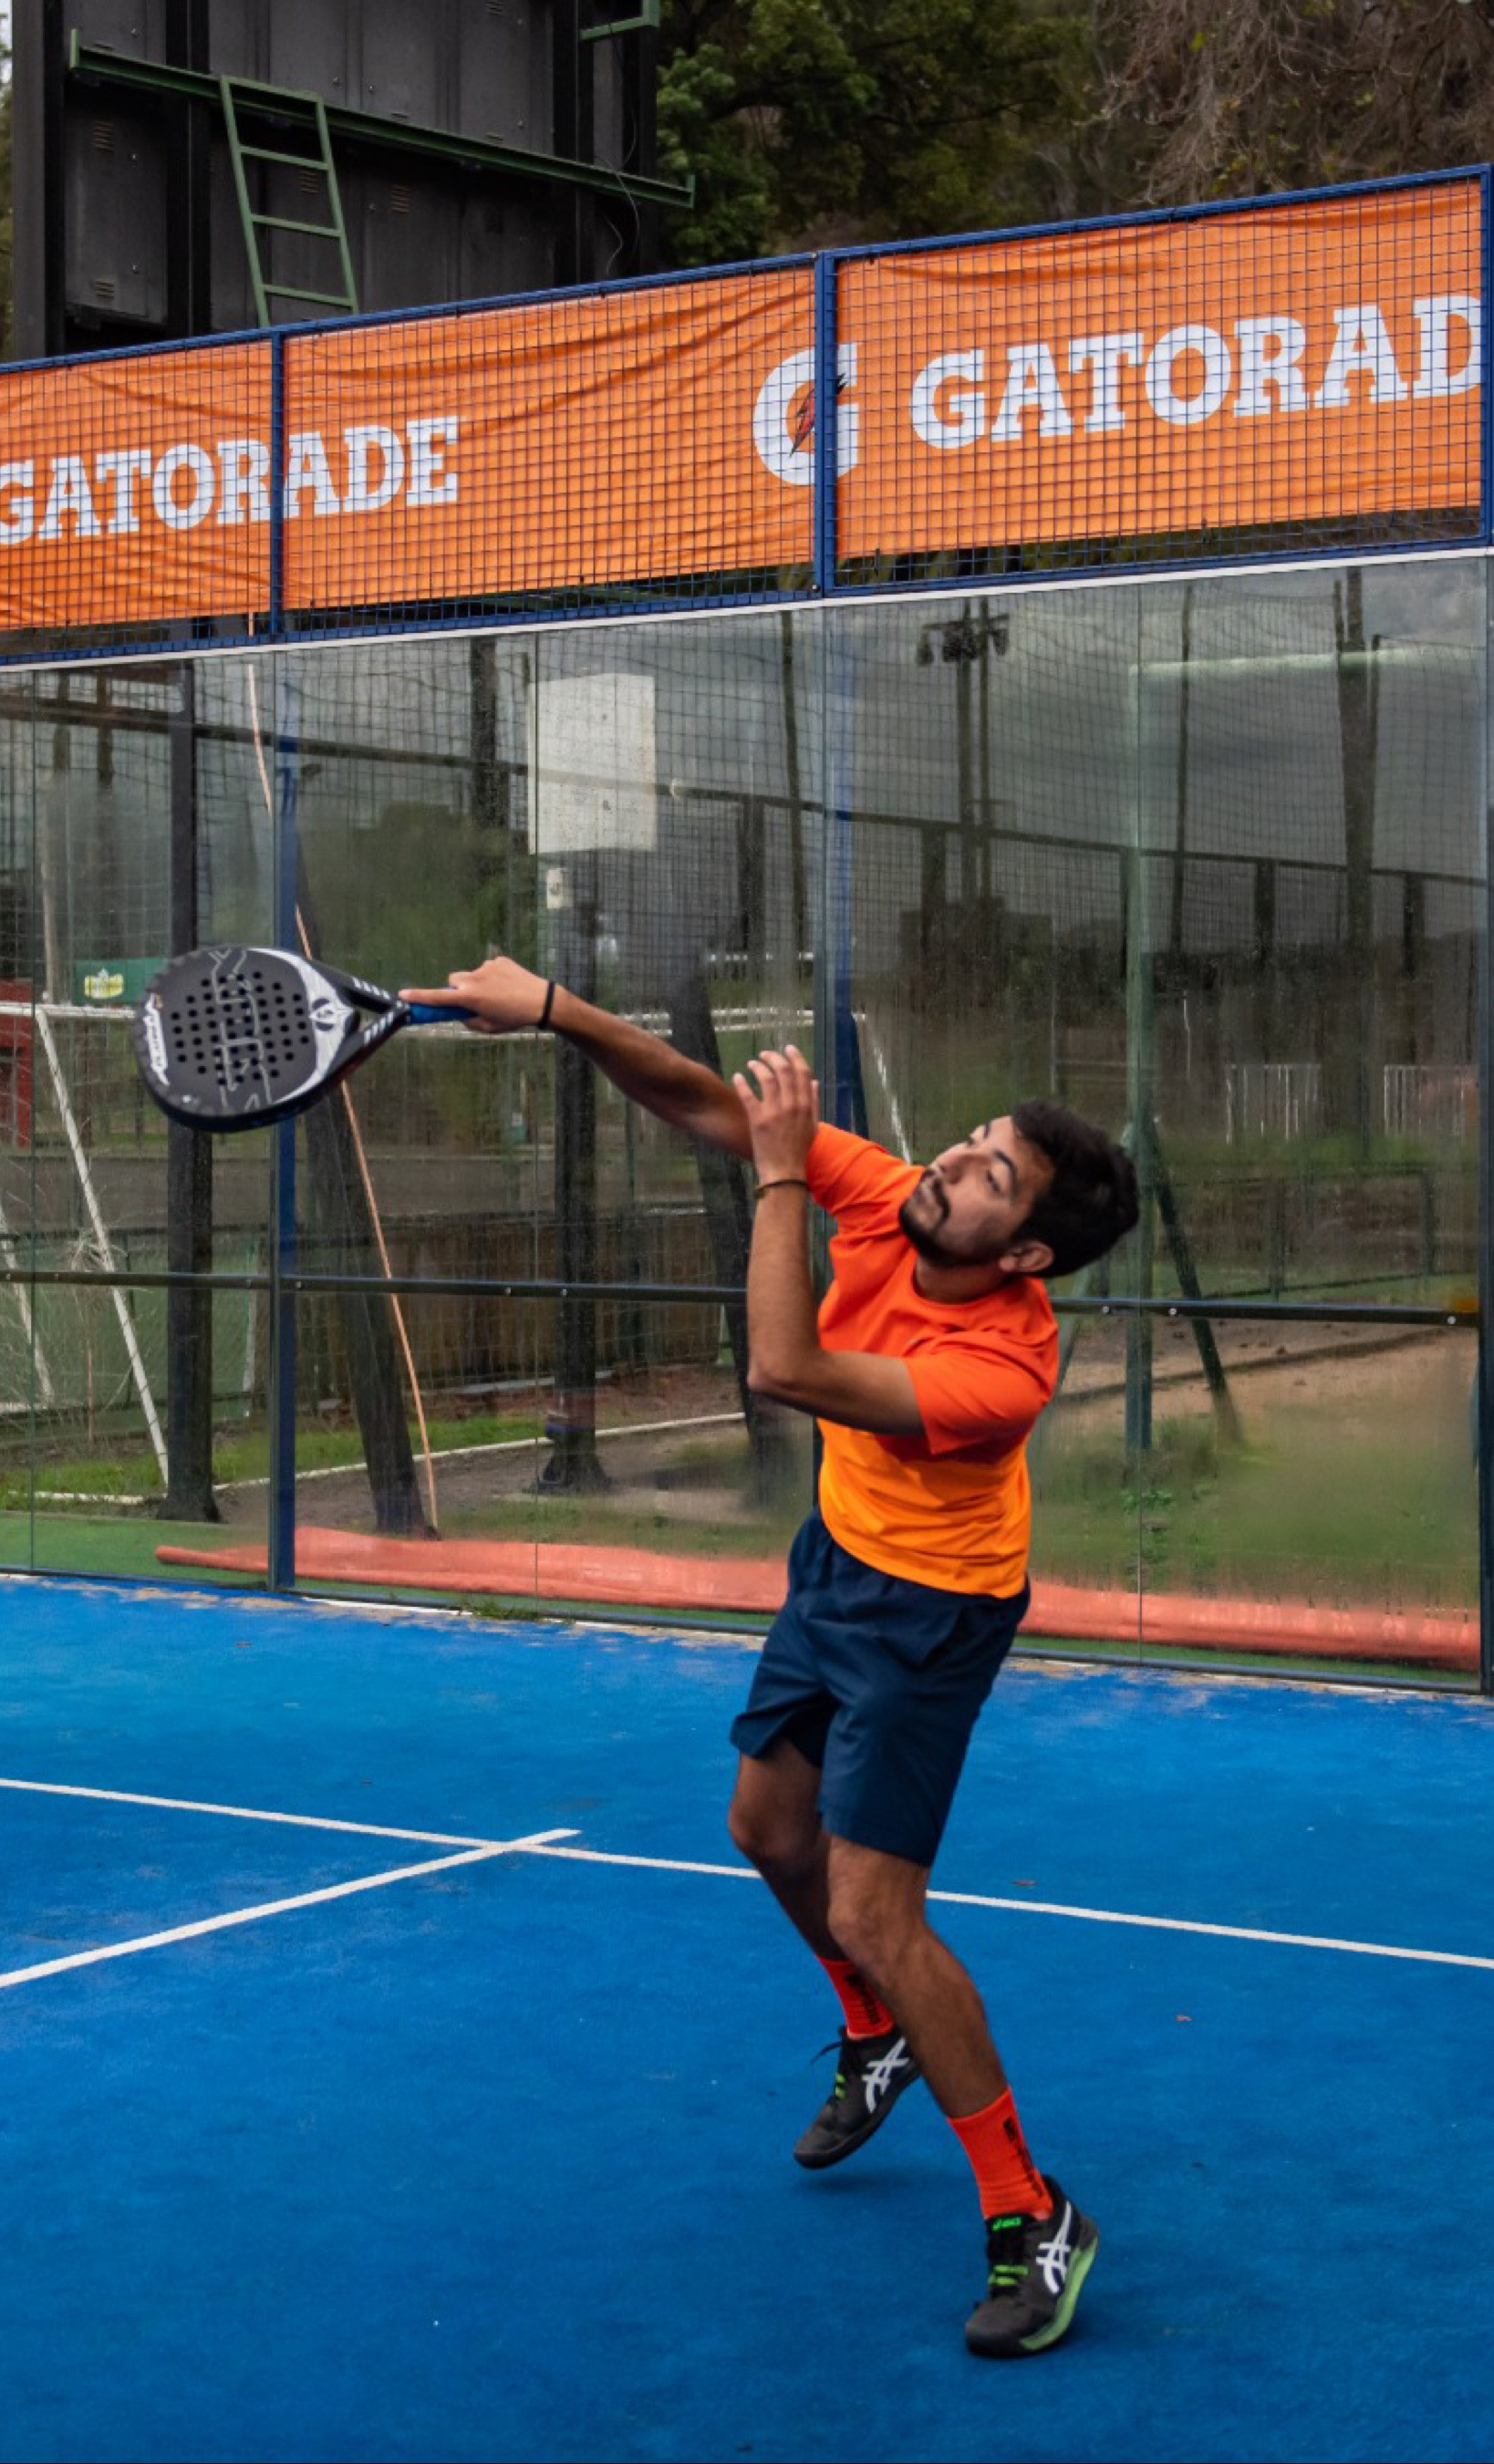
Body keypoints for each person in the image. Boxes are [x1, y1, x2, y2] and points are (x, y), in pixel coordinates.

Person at [403, 956, 1139, 2360]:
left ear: (1027, 1253)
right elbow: (701, 1099)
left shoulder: (1004, 1368)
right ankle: (877, 2032)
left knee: (875, 1908)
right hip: (838, 1563)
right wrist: (552, 1007)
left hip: (933, 1617)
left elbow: (785, 1370)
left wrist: (786, 1176)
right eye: (970, 1140)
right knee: (762, 1827)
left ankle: (1033, 2209)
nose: (951, 1164)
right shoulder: (898, 1196)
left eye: (990, 1174)